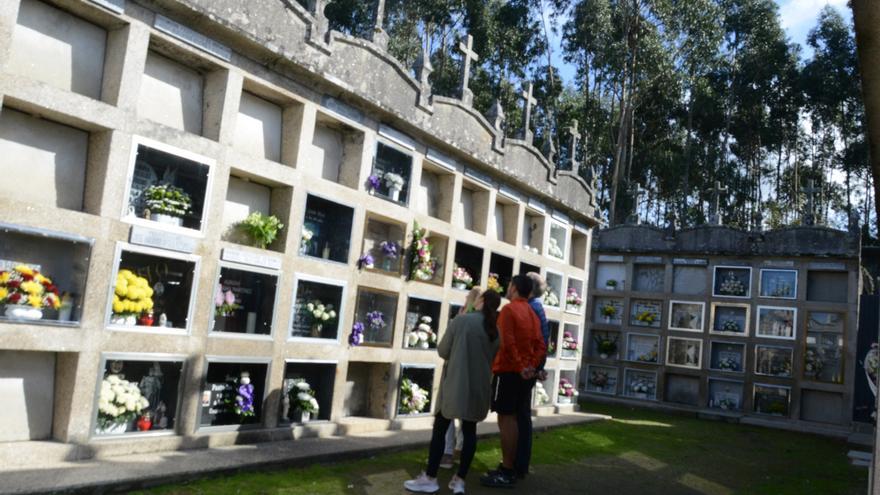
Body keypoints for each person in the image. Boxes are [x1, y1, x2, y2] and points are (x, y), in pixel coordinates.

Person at [404, 291, 502, 495]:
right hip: (479, 388)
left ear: (481, 301)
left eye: (477, 298)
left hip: (456, 383)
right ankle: (460, 480)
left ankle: (430, 478)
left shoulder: (462, 321)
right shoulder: (495, 331)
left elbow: (442, 350)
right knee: (469, 432)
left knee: (440, 428)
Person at [480, 275, 545, 489]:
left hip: (508, 372)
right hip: (523, 375)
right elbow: (541, 345)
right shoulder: (533, 312)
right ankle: (510, 467)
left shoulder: (509, 310)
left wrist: (520, 367)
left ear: (515, 288)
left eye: (509, 285)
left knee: (506, 420)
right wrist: (530, 367)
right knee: (514, 418)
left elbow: (507, 342)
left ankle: (507, 470)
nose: (507, 289)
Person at [514, 272, 550, 478]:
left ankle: (519, 464)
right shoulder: (536, 307)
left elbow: (539, 343)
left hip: (526, 369)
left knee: (522, 416)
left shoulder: (532, 309)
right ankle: (520, 462)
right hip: (530, 367)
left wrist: (531, 368)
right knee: (522, 415)